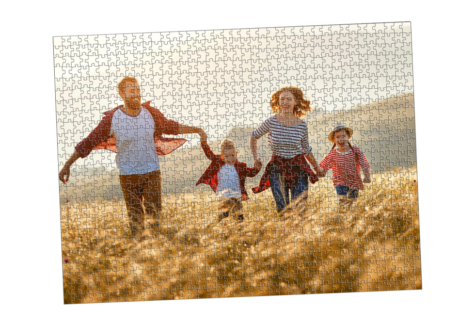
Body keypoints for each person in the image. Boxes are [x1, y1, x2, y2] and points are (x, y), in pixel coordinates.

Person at [58, 76, 206, 238]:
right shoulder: (112, 119)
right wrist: (68, 164)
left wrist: (196, 129)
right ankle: (140, 254)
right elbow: (88, 142)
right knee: (136, 221)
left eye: (138, 90)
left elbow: (172, 126)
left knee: (154, 217)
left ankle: (158, 252)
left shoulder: (151, 113)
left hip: (152, 172)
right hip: (128, 176)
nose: (137, 94)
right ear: (122, 94)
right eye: (132, 90)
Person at [249, 86, 324, 215]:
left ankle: (299, 234)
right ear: (278, 102)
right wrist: (255, 159)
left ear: (296, 102)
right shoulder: (271, 121)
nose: (285, 102)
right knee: (283, 209)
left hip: (298, 168)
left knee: (300, 208)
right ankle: (285, 234)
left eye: (289, 99)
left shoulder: (302, 125)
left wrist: (317, 168)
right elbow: (254, 136)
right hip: (277, 168)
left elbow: (306, 149)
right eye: (282, 99)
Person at [196, 134, 262, 223]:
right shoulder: (218, 162)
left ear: (236, 153)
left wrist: (257, 168)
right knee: (223, 217)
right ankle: (220, 231)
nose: (230, 158)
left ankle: (240, 232)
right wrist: (204, 142)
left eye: (232, 155)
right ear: (222, 156)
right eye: (227, 156)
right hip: (224, 197)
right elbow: (209, 154)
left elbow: (251, 173)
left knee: (239, 218)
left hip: (237, 196)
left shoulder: (240, 166)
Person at [319, 124, 371, 213]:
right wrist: (320, 172)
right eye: (337, 137)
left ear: (348, 137)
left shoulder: (355, 151)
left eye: (343, 136)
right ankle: (342, 218)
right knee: (342, 201)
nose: (340, 139)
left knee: (351, 203)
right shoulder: (333, 154)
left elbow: (364, 163)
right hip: (340, 181)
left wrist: (367, 176)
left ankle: (349, 220)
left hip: (354, 182)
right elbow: (323, 165)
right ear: (334, 140)